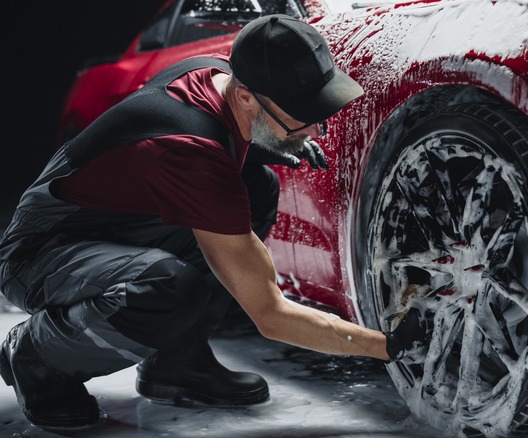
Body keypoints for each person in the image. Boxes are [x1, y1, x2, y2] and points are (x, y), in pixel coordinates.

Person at [0, 14, 430, 431]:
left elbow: (167, 152)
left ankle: (175, 364)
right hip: (39, 254)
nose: (316, 128)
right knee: (165, 288)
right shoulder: (190, 150)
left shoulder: (215, 74)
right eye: (303, 113)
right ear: (246, 97)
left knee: (255, 186)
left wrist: (265, 145)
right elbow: (270, 314)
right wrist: (384, 346)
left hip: (110, 226)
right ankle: (38, 356)